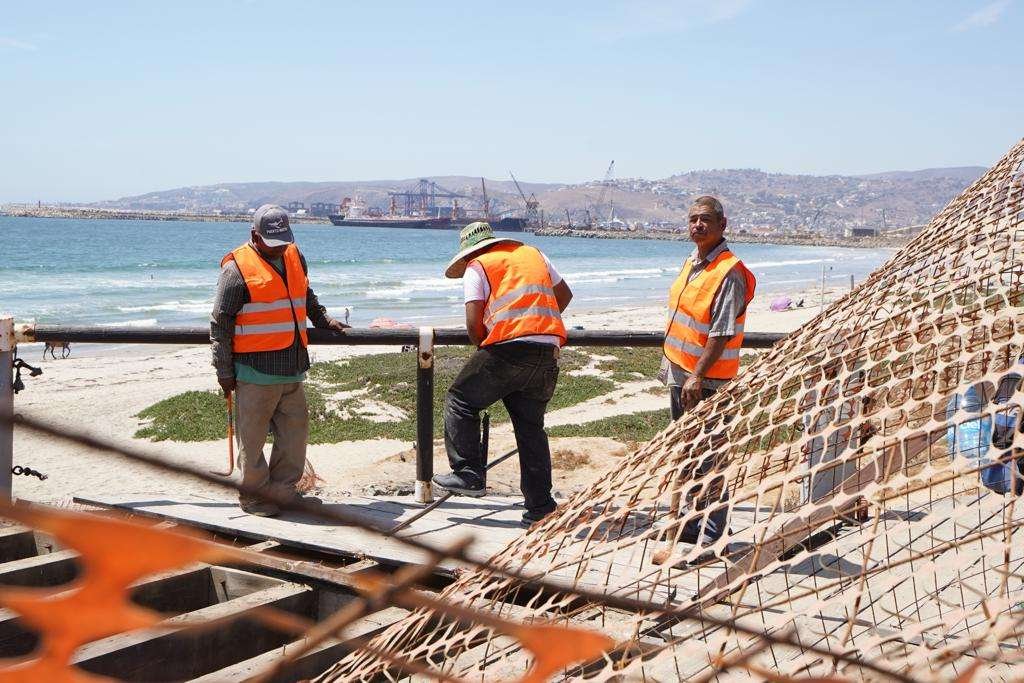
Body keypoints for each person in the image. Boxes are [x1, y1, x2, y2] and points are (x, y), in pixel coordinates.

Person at [210, 204, 348, 517]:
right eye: (272, 244)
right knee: (253, 442)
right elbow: (220, 325)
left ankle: (284, 493)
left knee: (294, 437)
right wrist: (224, 371)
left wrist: (324, 319)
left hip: (293, 366)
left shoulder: (294, 256)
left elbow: (306, 296)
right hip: (254, 372)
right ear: (254, 236)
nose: (279, 249)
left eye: (283, 242)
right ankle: (255, 498)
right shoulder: (235, 271)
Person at [432, 222, 572, 527]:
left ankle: (468, 473)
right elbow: (565, 295)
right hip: (547, 349)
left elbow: (473, 324)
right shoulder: (533, 254)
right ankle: (540, 507)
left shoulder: (478, 266)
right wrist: (538, 324)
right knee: (530, 428)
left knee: (460, 400)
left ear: (470, 250)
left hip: (509, 348)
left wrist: (490, 344)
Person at [654, 196, 756, 560]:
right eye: (693, 219)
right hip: (681, 375)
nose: (698, 225)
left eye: (706, 220)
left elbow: (721, 332)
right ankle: (692, 525)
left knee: (709, 457)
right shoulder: (693, 263)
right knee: (688, 454)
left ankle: (713, 534)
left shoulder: (728, 271)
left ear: (722, 224)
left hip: (707, 381)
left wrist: (697, 375)